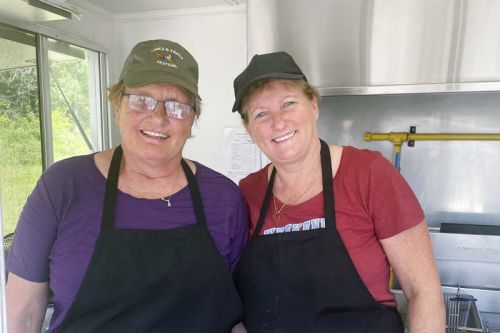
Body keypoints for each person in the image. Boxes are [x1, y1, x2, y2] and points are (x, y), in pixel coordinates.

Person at [6, 39, 248, 333]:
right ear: (117, 106)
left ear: (192, 119)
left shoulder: (224, 197)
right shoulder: (63, 187)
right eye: (141, 100)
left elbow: (235, 314)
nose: (158, 117)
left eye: (177, 106)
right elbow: (25, 314)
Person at [231, 52, 445, 332]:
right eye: (261, 114)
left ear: (314, 105)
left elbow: (423, 293)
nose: (278, 122)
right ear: (249, 129)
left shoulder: (369, 174)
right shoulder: (247, 193)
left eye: (288, 103)